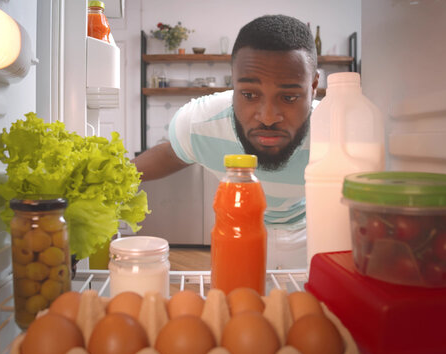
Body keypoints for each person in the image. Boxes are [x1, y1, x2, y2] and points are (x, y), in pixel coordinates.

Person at [133, 14, 319, 269]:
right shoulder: (199, 123)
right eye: (249, 94)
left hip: (310, 230)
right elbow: (169, 155)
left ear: (313, 88)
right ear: (233, 85)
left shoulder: (335, 130)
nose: (267, 118)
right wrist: (114, 177)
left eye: (288, 98)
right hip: (237, 228)